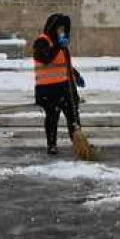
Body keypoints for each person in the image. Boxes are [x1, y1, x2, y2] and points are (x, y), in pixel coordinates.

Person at [33, 14, 85, 155]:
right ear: (52, 28)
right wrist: (57, 46)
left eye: (64, 29)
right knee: (52, 117)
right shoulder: (42, 41)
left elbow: (64, 64)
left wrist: (76, 75)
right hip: (48, 89)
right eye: (59, 28)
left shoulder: (62, 45)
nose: (61, 31)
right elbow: (45, 58)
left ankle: (78, 143)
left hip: (64, 87)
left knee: (73, 116)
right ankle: (51, 144)